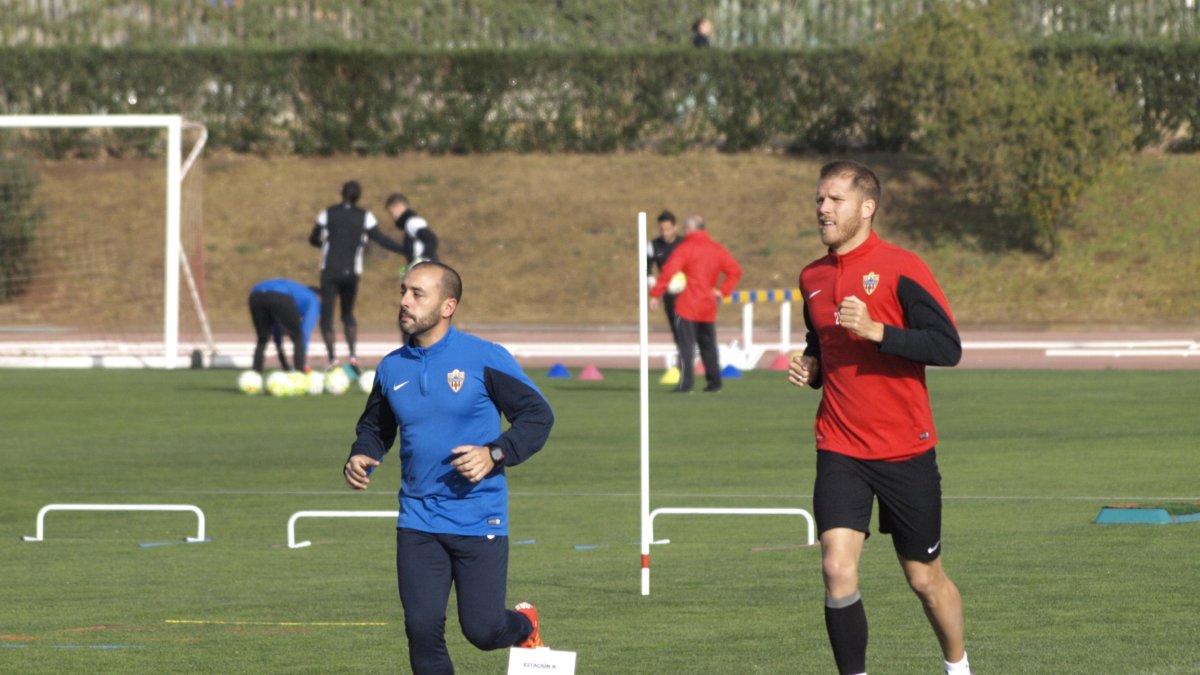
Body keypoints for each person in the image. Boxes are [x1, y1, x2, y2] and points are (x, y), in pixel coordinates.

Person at [789, 160, 969, 675]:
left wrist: (880, 332)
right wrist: (812, 366)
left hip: (905, 450)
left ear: (866, 208)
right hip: (840, 447)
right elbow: (820, 339)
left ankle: (958, 667)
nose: (822, 208)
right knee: (836, 570)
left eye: (834, 200)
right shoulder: (812, 276)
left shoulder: (902, 266)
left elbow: (947, 346)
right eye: (819, 199)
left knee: (924, 578)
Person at [342, 261, 554, 674]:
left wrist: (495, 453)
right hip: (418, 518)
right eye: (404, 290)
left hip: (479, 517)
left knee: (483, 630)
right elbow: (376, 426)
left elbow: (537, 416)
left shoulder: (484, 357)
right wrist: (362, 451)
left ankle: (525, 625)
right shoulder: (391, 367)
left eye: (417, 294)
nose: (404, 301)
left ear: (447, 306)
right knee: (422, 629)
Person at [309, 180, 406, 371]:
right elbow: (380, 238)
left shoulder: (327, 213)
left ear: (341, 193)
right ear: (358, 196)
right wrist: (403, 249)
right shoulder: (365, 216)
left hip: (329, 271)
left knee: (327, 316)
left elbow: (313, 237)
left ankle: (332, 359)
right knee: (347, 315)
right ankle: (353, 356)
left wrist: (324, 246)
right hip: (351, 273)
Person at [649, 214, 741, 393]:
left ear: (689, 229)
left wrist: (655, 294)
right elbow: (735, 271)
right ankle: (715, 383)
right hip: (708, 305)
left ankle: (686, 383)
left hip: (687, 306)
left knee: (686, 346)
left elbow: (668, 271)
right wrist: (723, 291)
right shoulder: (717, 248)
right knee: (708, 346)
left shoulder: (685, 248)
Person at [247, 278, 320, 375]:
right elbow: (305, 331)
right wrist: (303, 360)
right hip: (279, 296)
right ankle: (299, 373)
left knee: (263, 338)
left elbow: (276, 330)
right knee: (298, 336)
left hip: (255, 295)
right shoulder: (313, 299)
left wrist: (283, 362)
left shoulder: (297, 292)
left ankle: (255, 375)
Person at [646, 210, 684, 347]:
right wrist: (653, 286)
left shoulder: (684, 244)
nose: (665, 233)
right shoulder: (653, 246)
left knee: (687, 330)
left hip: (687, 294)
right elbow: (646, 268)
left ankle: (691, 360)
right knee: (676, 330)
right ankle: (684, 362)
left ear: (675, 227)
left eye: (668, 229)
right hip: (668, 294)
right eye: (662, 229)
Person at [385, 193, 440, 267]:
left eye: (392, 212)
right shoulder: (409, 225)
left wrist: (423, 260)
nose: (392, 217)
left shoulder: (412, 222)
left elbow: (431, 239)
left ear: (399, 206)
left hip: (426, 270)